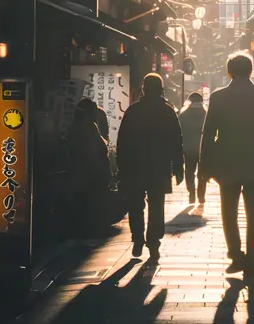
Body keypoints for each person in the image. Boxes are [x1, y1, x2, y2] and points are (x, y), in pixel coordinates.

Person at [199, 53, 254, 278]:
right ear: (251, 71)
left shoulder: (219, 97)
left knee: (229, 210)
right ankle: (252, 255)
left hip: (227, 162)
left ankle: (235, 254)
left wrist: (204, 165)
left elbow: (208, 133)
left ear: (229, 71)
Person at [116, 73, 184, 261]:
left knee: (135, 205)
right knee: (156, 205)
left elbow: (122, 141)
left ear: (143, 89)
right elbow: (176, 141)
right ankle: (153, 242)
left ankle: (138, 239)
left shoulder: (133, 111)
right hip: (159, 166)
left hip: (134, 166)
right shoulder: (167, 111)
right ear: (161, 90)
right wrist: (179, 167)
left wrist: (120, 167)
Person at [66, 102, 111, 234]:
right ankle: (91, 228)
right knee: (91, 202)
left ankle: (84, 229)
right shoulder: (89, 128)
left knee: (82, 202)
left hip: (79, 173)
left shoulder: (72, 128)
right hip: (91, 174)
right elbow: (95, 151)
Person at [179, 92, 208, 205]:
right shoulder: (207, 114)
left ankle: (191, 193)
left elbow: (179, 132)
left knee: (189, 171)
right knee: (202, 172)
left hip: (188, 148)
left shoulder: (183, 115)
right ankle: (201, 195)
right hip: (203, 149)